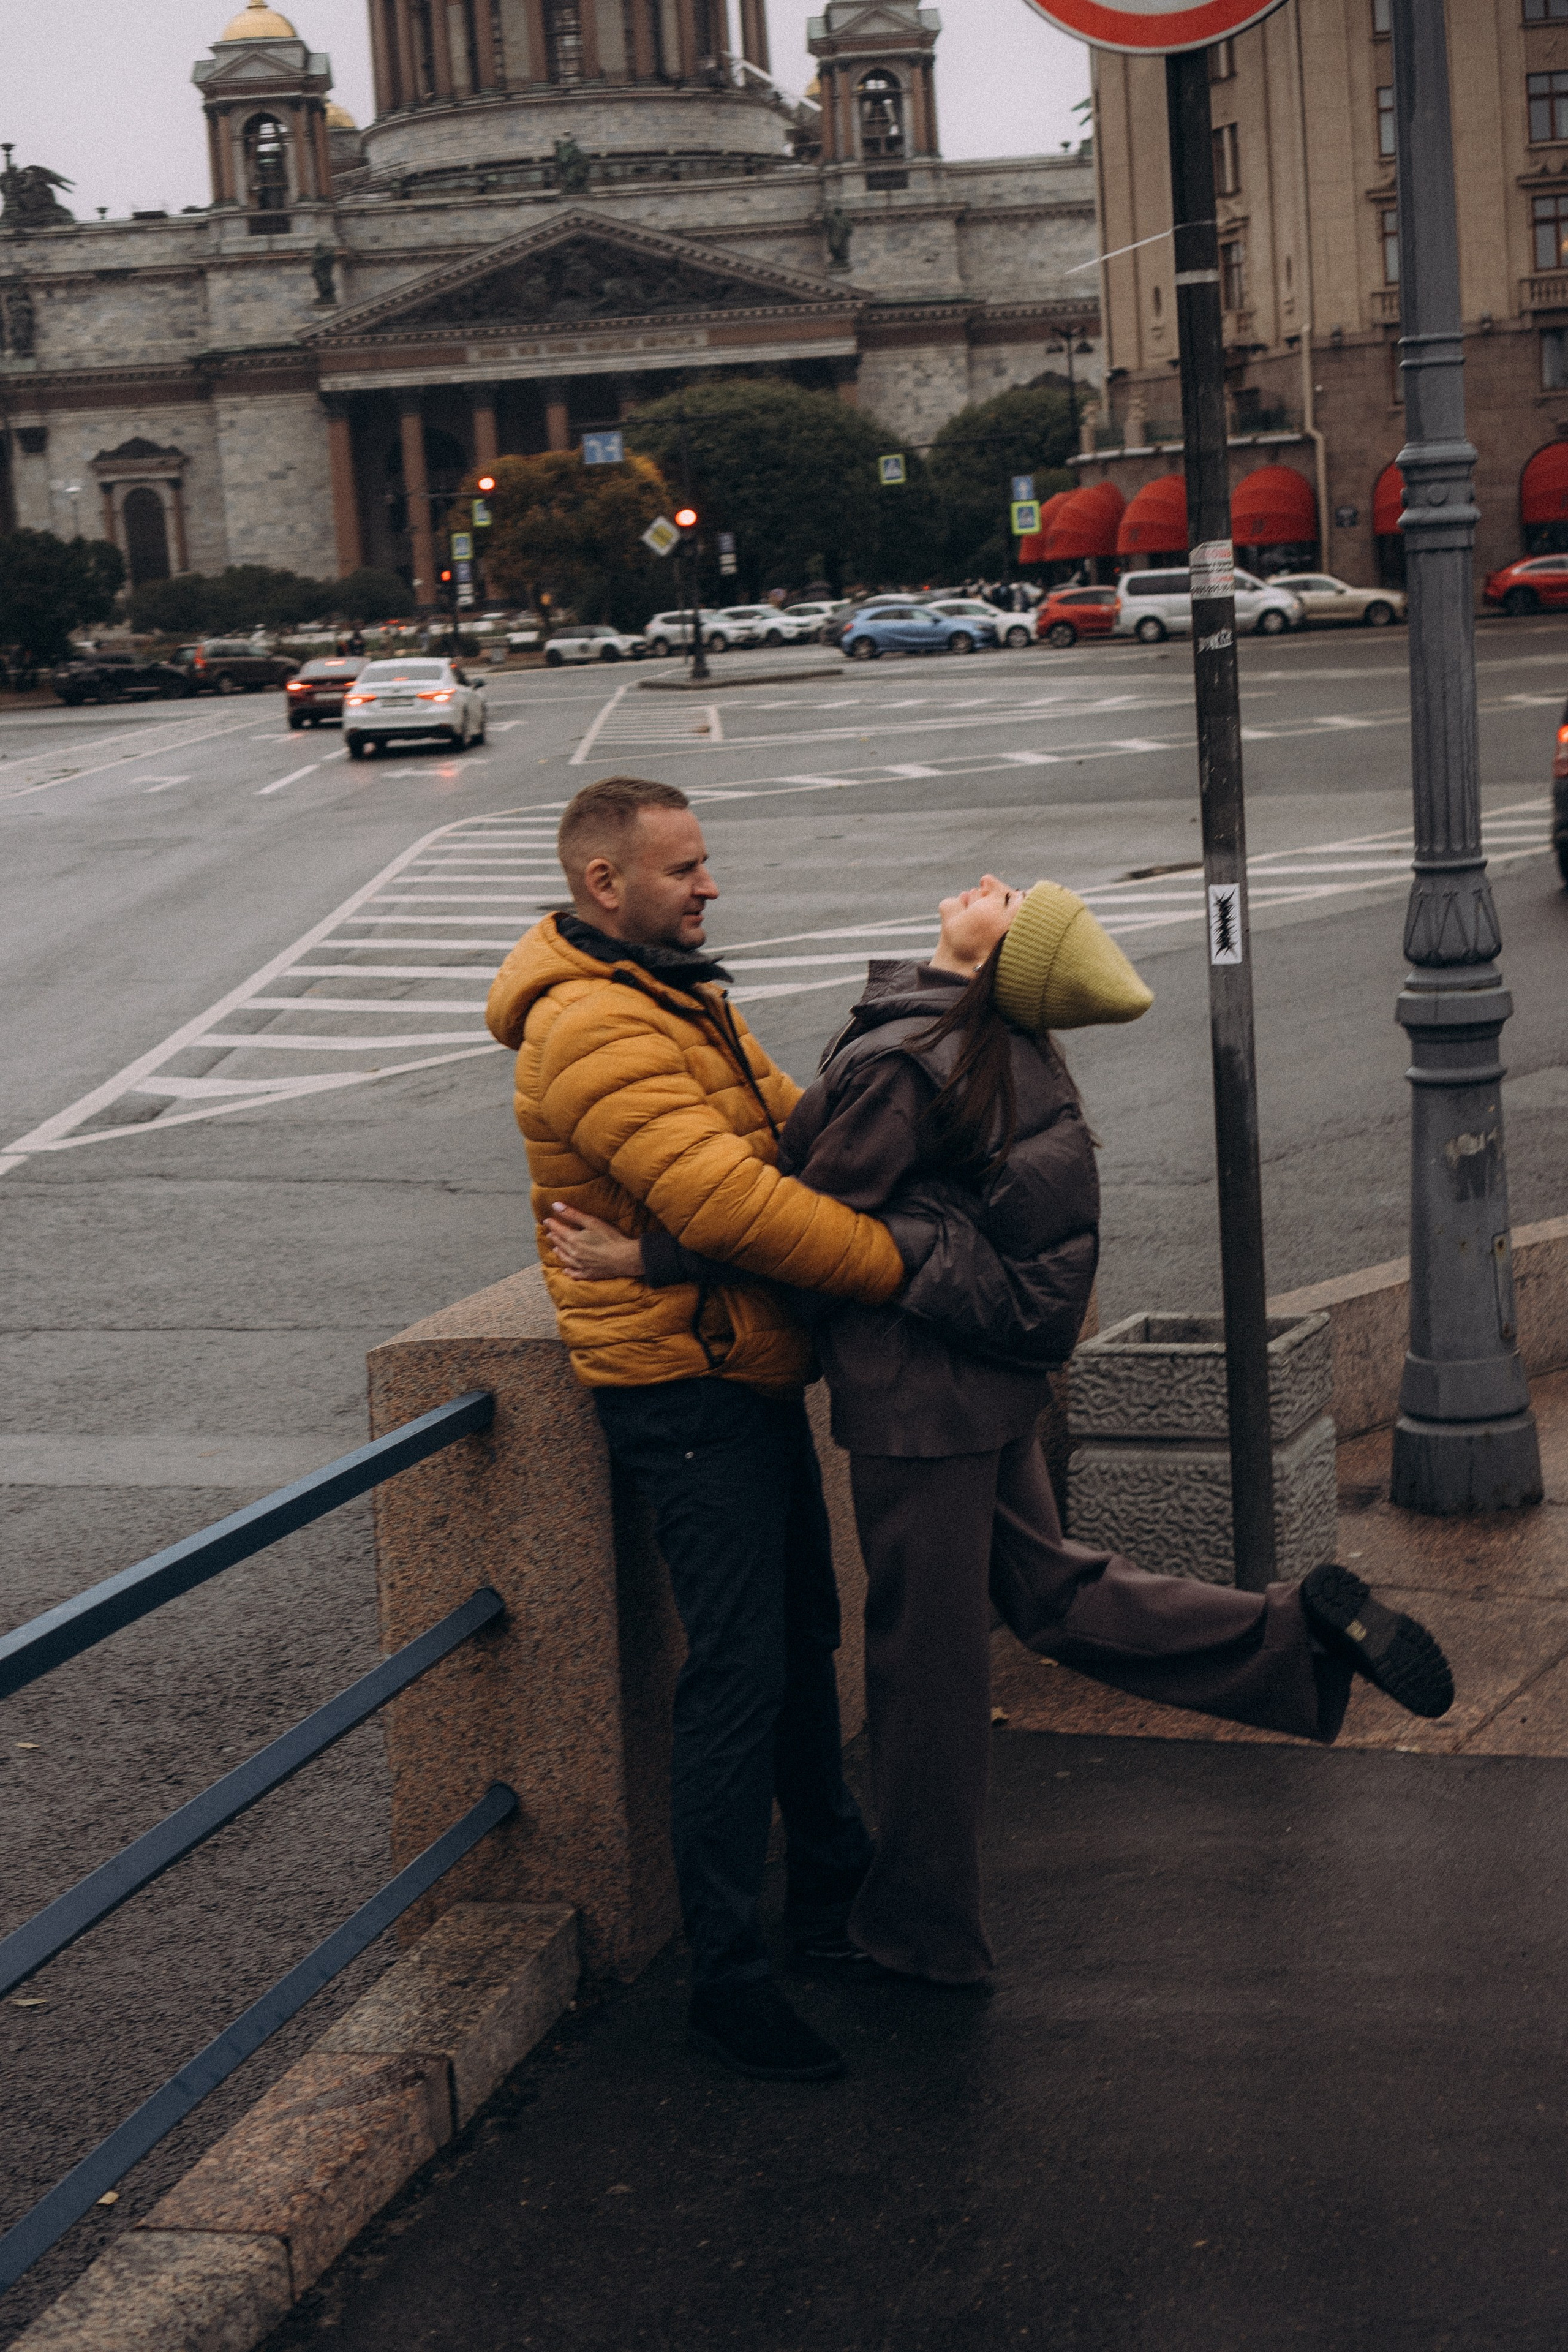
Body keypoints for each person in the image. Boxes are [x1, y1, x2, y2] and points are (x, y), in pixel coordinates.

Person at [549, 873, 1455, 1991]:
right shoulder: (991, 1046)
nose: (994, 885)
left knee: (922, 1675)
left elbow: (791, 1216)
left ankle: (922, 1936)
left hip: (917, 1398)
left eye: (1015, 900)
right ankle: (1292, 1638)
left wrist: (647, 1260)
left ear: (1006, 958)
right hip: (984, 1385)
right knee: (1054, 1595)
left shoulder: (911, 1058)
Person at [485, 775, 908, 2084]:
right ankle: (728, 1984)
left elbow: (798, 1137)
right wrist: (899, 1268)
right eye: (683, 870)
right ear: (605, 885)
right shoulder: (594, 1027)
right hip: (681, 1393)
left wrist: (664, 1251)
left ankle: (832, 1907)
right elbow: (736, 1202)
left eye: (704, 863)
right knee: (737, 1672)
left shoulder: (683, 998)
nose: (708, 886)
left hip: (734, 1360)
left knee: (797, 1637)